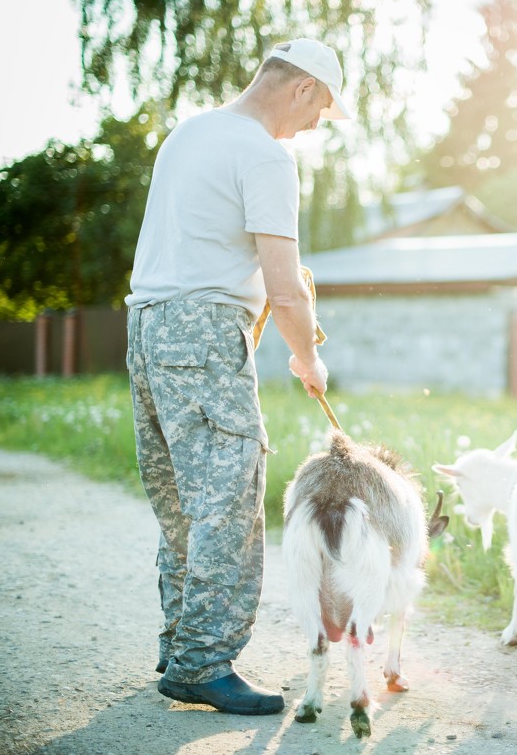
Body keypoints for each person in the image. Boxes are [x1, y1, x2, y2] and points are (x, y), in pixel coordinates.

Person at [124, 38, 352, 715]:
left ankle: (179, 643)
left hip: (147, 328)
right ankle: (202, 663)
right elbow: (284, 284)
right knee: (229, 496)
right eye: (322, 112)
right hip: (204, 330)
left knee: (184, 502)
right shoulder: (264, 154)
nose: (315, 128)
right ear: (303, 89)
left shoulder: (188, 134)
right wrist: (307, 354)